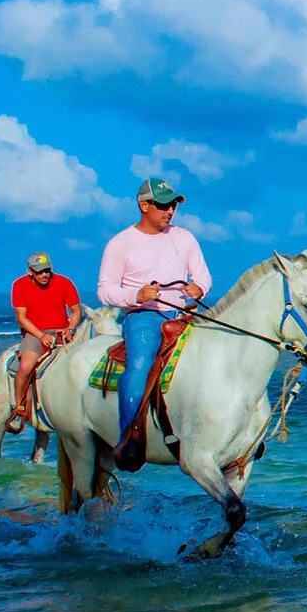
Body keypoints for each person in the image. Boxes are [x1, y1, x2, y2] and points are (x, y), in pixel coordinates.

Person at [96, 176, 212, 464]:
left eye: (173, 205)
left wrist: (199, 288)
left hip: (183, 314)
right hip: (145, 316)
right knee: (139, 365)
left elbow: (203, 276)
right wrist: (137, 295)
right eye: (162, 205)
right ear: (143, 205)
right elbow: (104, 290)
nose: (169, 211)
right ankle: (130, 436)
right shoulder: (120, 243)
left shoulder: (185, 238)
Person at [5, 251, 82, 434]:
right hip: (35, 333)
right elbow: (21, 317)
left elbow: (76, 310)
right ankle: (19, 407)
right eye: (39, 271)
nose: (44, 275)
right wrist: (40, 336)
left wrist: (70, 328)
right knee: (26, 366)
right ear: (30, 271)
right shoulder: (20, 285)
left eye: (47, 270)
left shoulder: (64, 282)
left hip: (62, 331)